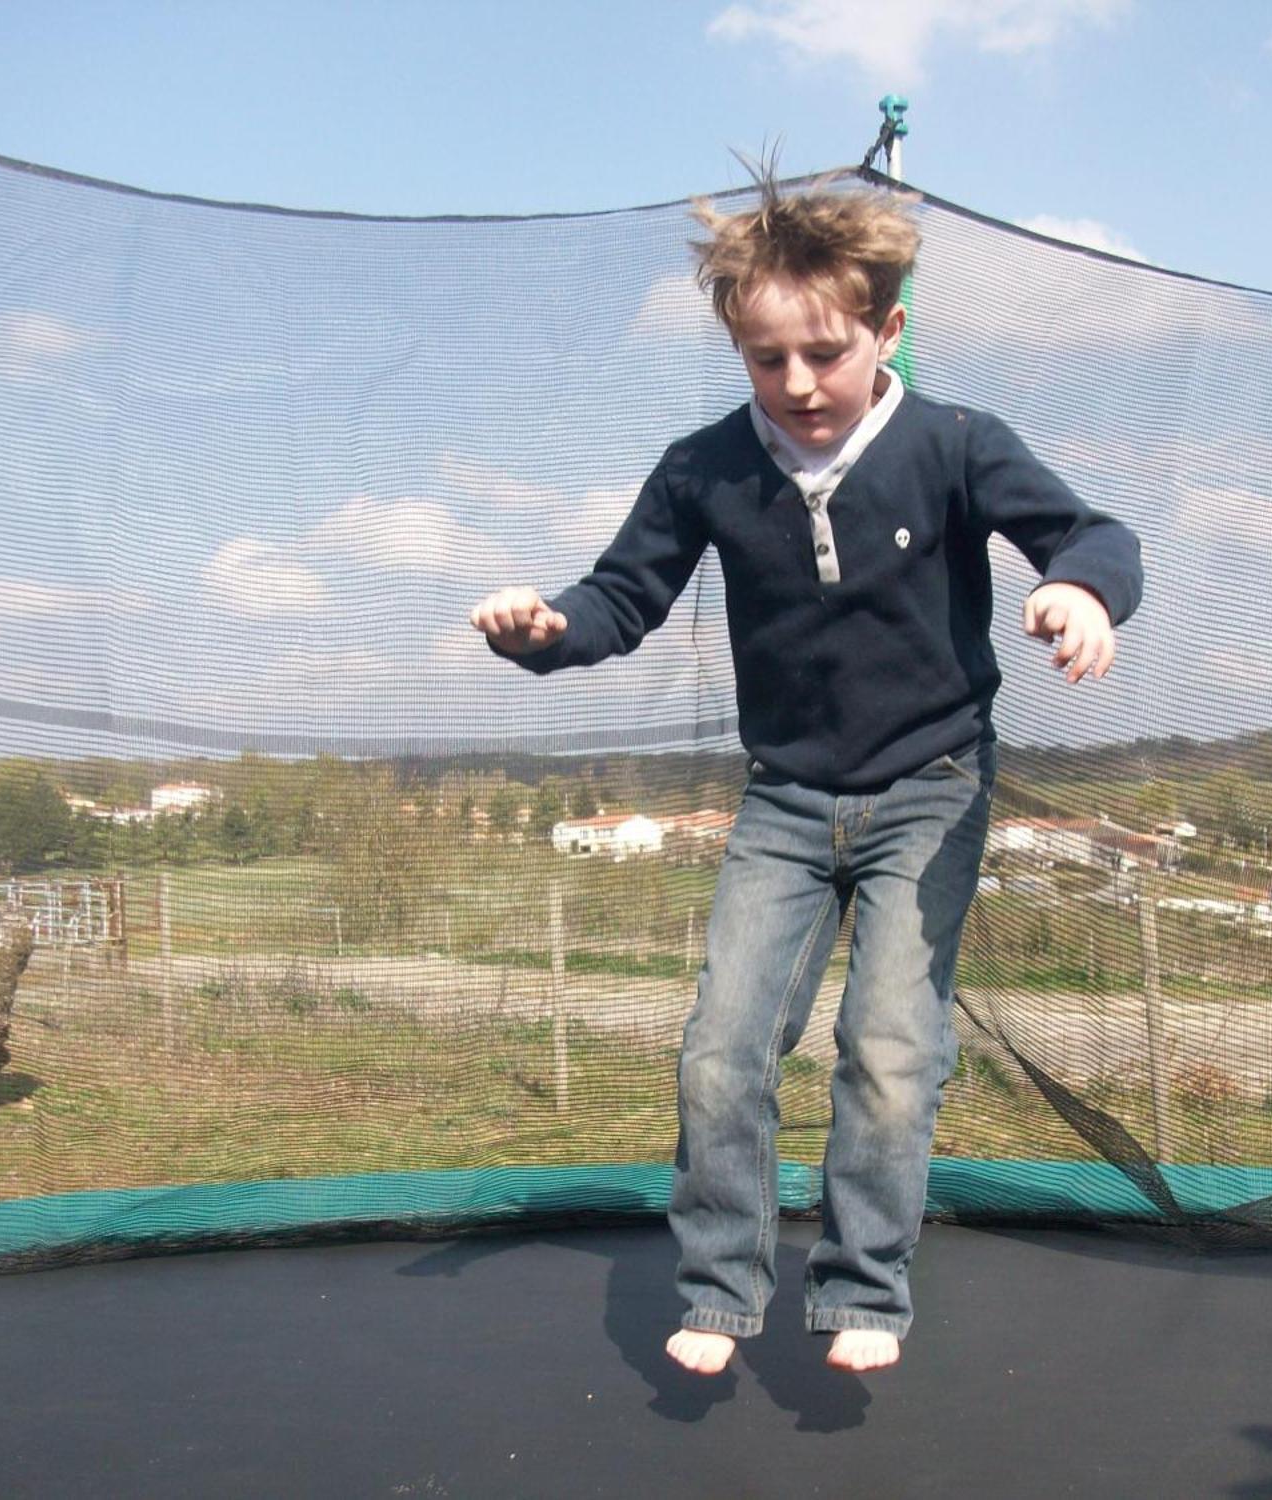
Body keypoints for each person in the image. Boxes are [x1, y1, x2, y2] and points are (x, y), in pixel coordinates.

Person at [470, 170, 1143, 1375]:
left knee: (889, 1052)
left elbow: (1091, 532)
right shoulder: (706, 469)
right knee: (721, 1049)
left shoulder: (952, 446)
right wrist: (545, 632)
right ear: (736, 347)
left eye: (823, 355)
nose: (795, 387)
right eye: (764, 359)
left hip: (927, 789)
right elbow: (618, 598)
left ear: (886, 332)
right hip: (784, 799)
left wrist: (1081, 590)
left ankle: (863, 1290)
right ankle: (721, 1290)